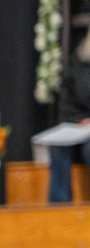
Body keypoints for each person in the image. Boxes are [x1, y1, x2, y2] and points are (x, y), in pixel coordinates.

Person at [49, 35, 90, 203]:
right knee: (58, 146)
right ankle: (60, 206)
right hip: (81, 126)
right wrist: (80, 120)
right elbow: (67, 102)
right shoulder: (79, 63)